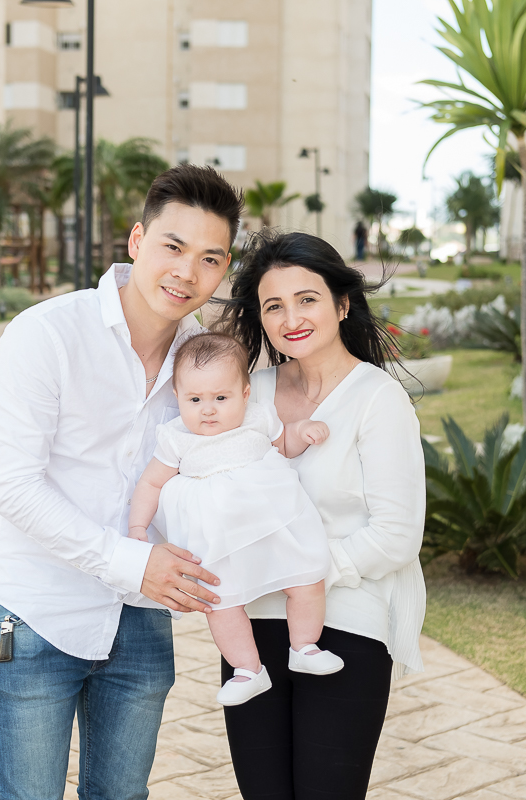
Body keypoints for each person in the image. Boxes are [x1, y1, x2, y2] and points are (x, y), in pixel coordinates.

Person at [0, 164, 243, 800]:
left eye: (210, 258)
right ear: (136, 241)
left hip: (144, 620)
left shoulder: (202, 359)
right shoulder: (45, 334)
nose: (186, 273)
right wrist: (131, 562)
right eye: (172, 247)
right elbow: (14, 487)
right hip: (36, 611)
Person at [218, 230, 426, 800]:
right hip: (252, 633)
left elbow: (397, 535)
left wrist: (301, 576)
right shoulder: (247, 395)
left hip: (346, 624)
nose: (291, 318)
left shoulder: (376, 398)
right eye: (273, 305)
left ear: (341, 303)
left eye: (307, 299)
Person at [128, 332, 341, 707]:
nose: (208, 410)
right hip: (220, 543)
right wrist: (136, 526)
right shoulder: (177, 438)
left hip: (275, 527)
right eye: (195, 400)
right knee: (221, 603)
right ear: (177, 398)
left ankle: (305, 645)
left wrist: (302, 432)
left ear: (244, 394)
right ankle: (247, 669)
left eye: (220, 398)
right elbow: (151, 482)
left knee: (307, 577)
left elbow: (283, 444)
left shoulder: (257, 418)